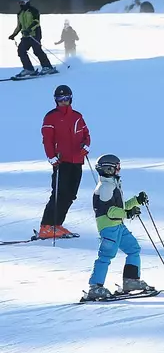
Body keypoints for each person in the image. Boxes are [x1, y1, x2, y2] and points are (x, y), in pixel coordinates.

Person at [85, 154, 154, 301]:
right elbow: (110, 211)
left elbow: (120, 207)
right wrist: (127, 213)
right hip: (109, 228)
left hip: (118, 226)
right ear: (109, 169)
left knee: (133, 249)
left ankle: (131, 281)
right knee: (105, 256)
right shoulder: (104, 187)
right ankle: (95, 287)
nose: (119, 169)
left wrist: (136, 201)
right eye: (117, 167)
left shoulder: (112, 184)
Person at [39, 85, 90, 239]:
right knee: (59, 193)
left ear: (70, 98)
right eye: (60, 99)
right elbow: (47, 139)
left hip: (77, 160)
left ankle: (57, 224)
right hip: (62, 161)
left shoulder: (77, 116)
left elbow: (86, 134)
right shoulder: (51, 117)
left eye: (66, 98)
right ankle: (46, 226)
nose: (63, 101)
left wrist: (86, 146)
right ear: (56, 100)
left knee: (70, 195)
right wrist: (51, 156)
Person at [8, 0, 55, 78]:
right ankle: (29, 69)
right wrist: (14, 34)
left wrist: (29, 29)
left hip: (35, 34)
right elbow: (19, 26)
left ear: (27, 1)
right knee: (21, 51)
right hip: (25, 36)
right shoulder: (20, 13)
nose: (20, 4)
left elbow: (36, 22)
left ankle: (47, 67)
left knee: (37, 50)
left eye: (22, 2)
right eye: (19, 2)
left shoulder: (33, 11)